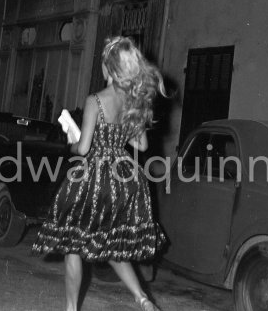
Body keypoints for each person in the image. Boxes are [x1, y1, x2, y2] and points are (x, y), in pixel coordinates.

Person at [32, 36, 167, 311]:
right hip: (125, 177)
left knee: (73, 244)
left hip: (95, 178)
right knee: (111, 243)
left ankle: (71, 309)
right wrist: (119, 133)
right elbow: (141, 145)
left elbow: (82, 149)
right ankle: (142, 299)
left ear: (109, 67)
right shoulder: (133, 101)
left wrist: (71, 141)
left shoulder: (95, 100)